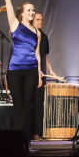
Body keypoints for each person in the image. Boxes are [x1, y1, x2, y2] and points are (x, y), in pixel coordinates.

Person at [2, 0, 42, 141]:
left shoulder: (37, 32)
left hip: (31, 71)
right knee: (18, 105)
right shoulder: (15, 24)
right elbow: (9, 4)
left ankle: (25, 140)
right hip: (15, 71)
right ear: (22, 13)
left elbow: (37, 54)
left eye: (33, 10)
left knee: (27, 106)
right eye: (29, 10)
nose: (32, 12)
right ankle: (16, 139)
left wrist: (39, 73)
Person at [33, 11, 63, 140]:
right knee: (30, 104)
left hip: (41, 76)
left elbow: (45, 57)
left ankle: (37, 132)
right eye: (37, 19)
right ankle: (27, 132)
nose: (40, 21)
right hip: (31, 73)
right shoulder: (29, 36)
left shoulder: (44, 37)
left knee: (40, 105)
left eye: (41, 20)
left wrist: (50, 71)